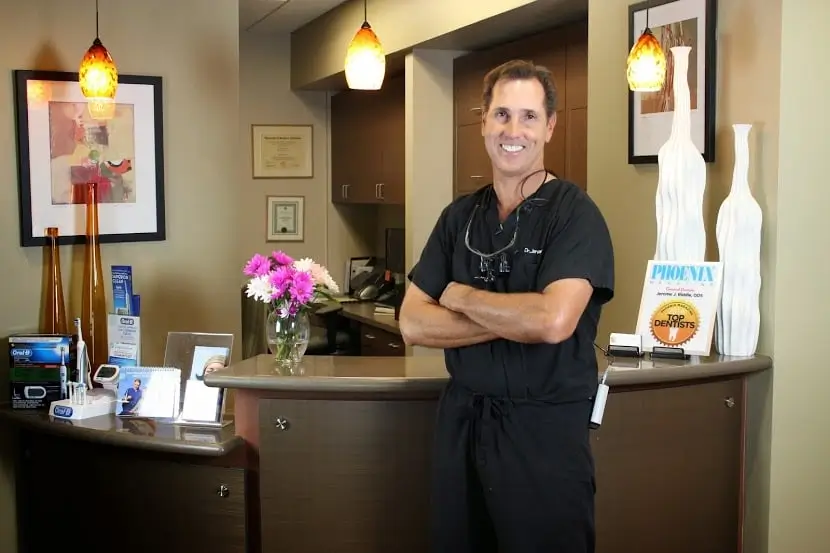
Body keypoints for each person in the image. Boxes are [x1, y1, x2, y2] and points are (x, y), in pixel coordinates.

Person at [399, 59, 615, 553]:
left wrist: (461, 297)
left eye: (528, 116)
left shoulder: (576, 215)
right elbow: (411, 321)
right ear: (483, 123)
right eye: (501, 115)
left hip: (545, 435)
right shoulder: (459, 217)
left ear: (550, 126)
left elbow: (554, 321)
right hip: (462, 426)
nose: (512, 130)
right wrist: (517, 319)